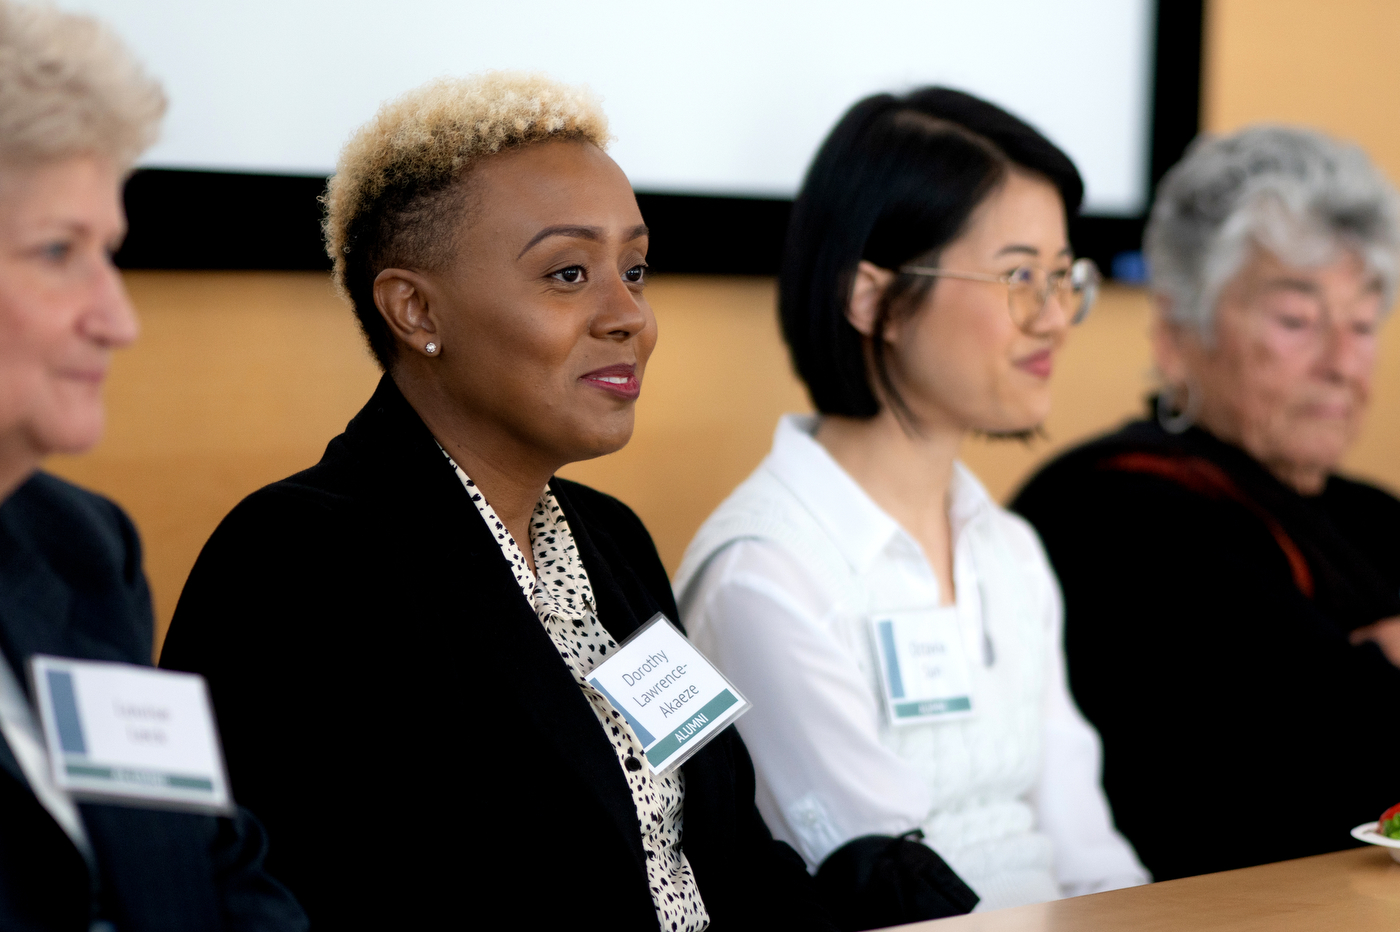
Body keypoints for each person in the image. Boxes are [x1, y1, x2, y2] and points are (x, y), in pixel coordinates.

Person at [159, 73, 835, 931]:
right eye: (567, 273)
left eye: (635, 269)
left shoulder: (611, 542)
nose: (630, 316)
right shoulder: (300, 559)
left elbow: (731, 852)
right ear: (414, 309)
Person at [673, 87, 1147, 924]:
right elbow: (889, 888)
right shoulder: (763, 574)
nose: (1054, 319)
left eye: (1064, 277)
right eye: (1017, 276)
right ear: (873, 299)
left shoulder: (1010, 551)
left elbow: (1086, 846)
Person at [1012, 125, 1400, 881]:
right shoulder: (1109, 510)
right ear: (1175, 335)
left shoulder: (1376, 516)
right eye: (1297, 321)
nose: (1343, 364)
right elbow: (1324, 767)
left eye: (1363, 325)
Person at [0, 4, 308, 930]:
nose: (119, 319)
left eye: (111, 253)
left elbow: (218, 870)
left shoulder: (79, 548)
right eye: (60, 252)